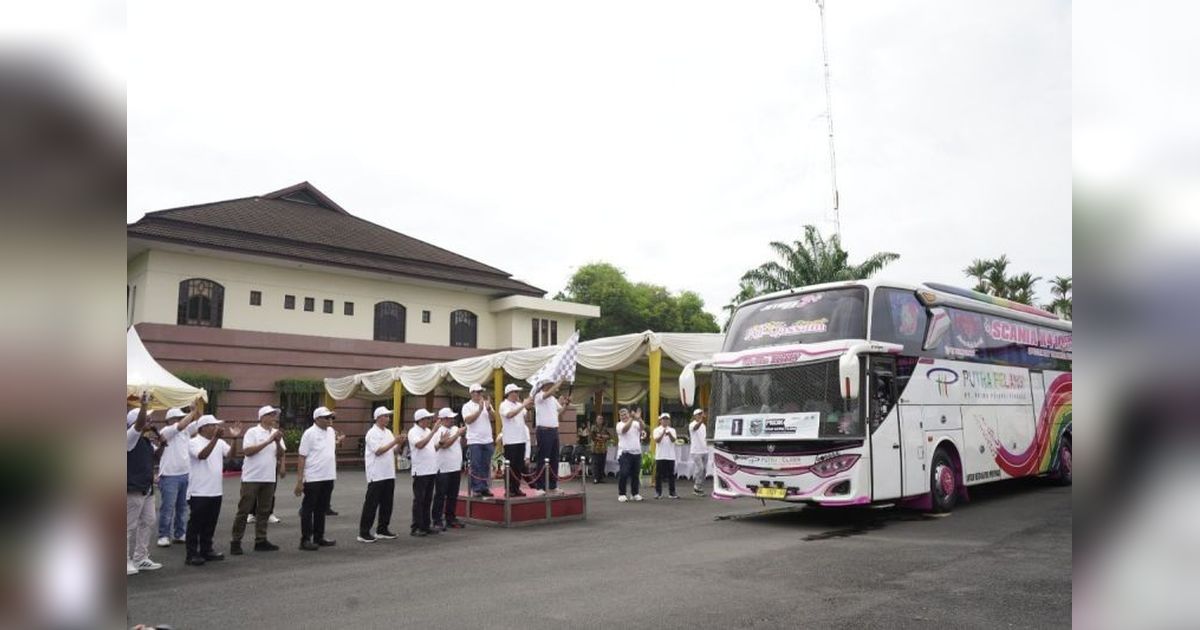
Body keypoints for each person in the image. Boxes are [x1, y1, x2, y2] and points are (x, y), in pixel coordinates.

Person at [185, 414, 242, 566]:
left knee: (210, 523)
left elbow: (231, 456)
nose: (216, 427)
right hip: (198, 491)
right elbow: (202, 455)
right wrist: (215, 439)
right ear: (203, 428)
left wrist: (235, 439)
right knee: (196, 524)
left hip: (215, 490)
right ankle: (191, 554)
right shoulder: (193, 442)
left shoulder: (220, 442)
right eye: (213, 425)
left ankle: (206, 549)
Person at [230, 405, 286, 554]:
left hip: (269, 477)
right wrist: (268, 441)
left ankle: (261, 540)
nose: (274, 417)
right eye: (271, 414)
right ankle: (236, 541)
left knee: (264, 510)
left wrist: (277, 442)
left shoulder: (276, 433)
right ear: (262, 417)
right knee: (244, 510)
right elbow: (247, 452)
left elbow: (280, 454)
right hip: (251, 477)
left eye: (275, 414)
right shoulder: (252, 432)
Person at [155, 401, 200, 548]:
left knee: (182, 507)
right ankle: (163, 535)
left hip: (185, 474)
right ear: (170, 420)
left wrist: (196, 410)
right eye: (179, 417)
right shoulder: (166, 431)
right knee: (167, 508)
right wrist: (192, 412)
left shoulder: (185, 431)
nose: (182, 420)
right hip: (169, 475)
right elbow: (181, 425)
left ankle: (180, 533)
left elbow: (199, 423)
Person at [295, 406, 340, 551]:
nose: (330, 420)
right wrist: (300, 480)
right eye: (327, 417)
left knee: (322, 508)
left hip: (328, 475)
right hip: (313, 477)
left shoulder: (331, 432)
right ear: (317, 419)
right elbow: (302, 456)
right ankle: (305, 539)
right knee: (308, 509)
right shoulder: (309, 433)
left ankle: (319, 536)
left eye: (331, 417)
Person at [359, 406, 405, 543]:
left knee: (387, 503)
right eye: (385, 416)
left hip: (389, 473)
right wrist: (394, 442)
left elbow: (394, 451)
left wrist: (400, 444)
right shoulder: (372, 433)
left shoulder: (388, 432)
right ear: (378, 417)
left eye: (388, 416)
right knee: (371, 504)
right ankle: (364, 532)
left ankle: (382, 529)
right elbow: (378, 451)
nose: (388, 418)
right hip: (376, 473)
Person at [127, 394, 161, 575]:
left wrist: (161, 441)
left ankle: (141, 558)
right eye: (147, 419)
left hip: (146, 488)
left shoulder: (146, 441)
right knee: (127, 525)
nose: (150, 421)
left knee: (148, 521)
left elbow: (158, 455)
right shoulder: (129, 437)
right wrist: (143, 406)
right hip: (132, 487)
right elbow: (138, 426)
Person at [431, 408, 467, 531]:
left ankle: (450, 517)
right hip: (443, 468)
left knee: (453, 495)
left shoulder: (455, 429)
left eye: (452, 418)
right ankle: (437, 519)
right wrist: (457, 434)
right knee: (440, 495)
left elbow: (462, 445)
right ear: (442, 419)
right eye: (449, 418)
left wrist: (462, 436)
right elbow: (444, 446)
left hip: (455, 467)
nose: (452, 420)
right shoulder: (438, 431)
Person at [532, 379, 571, 493]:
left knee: (554, 458)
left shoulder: (553, 399)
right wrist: (559, 382)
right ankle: (540, 486)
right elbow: (548, 393)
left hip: (554, 430)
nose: (556, 388)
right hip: (543, 431)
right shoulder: (539, 396)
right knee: (543, 458)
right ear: (546, 386)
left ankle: (553, 485)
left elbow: (560, 412)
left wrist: (566, 405)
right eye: (552, 386)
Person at [498, 383, 533, 497]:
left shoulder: (519, 404)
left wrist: (527, 407)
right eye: (516, 392)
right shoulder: (504, 404)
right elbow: (509, 415)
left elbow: (525, 417)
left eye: (518, 392)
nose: (518, 394)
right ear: (510, 393)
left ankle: (516, 488)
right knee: (510, 466)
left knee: (518, 466)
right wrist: (523, 405)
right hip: (510, 440)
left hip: (521, 439)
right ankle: (509, 489)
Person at [461, 384, 496, 498]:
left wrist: (489, 408)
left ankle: (484, 487)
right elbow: (468, 420)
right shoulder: (467, 406)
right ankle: (476, 488)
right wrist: (480, 410)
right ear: (472, 393)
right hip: (474, 440)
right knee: (476, 465)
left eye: (481, 392)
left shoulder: (486, 404)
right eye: (477, 392)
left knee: (486, 465)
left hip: (487, 439)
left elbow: (495, 417)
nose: (480, 394)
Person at [408, 409, 440, 536]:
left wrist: (441, 443)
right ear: (420, 420)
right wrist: (433, 432)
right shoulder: (413, 431)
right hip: (420, 471)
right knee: (419, 499)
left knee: (427, 499)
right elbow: (420, 445)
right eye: (427, 418)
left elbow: (432, 448)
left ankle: (426, 525)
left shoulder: (426, 431)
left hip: (430, 469)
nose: (429, 421)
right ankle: (416, 526)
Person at [615, 407, 645, 503]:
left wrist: (639, 418)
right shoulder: (619, 425)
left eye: (625, 414)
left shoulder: (635, 423)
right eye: (622, 415)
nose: (624, 416)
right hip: (625, 453)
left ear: (628, 414)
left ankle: (634, 493)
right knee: (624, 473)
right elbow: (624, 430)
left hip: (636, 452)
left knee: (635, 475)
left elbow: (643, 427)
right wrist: (632, 418)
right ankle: (622, 494)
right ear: (619, 417)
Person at [652, 413, 679, 499]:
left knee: (671, 475)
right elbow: (657, 440)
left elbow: (674, 440)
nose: (665, 421)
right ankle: (658, 492)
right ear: (660, 420)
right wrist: (663, 433)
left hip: (670, 456)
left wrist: (669, 434)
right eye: (663, 419)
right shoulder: (656, 430)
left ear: (669, 421)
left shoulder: (672, 430)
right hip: (660, 456)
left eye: (667, 419)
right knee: (658, 475)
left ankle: (672, 492)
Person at [579, 414, 610, 484]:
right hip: (595, 448)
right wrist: (601, 437)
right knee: (595, 464)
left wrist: (602, 436)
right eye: (599, 419)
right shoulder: (593, 427)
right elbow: (593, 436)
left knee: (602, 464)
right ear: (596, 420)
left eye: (601, 419)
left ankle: (601, 478)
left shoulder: (605, 428)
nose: (600, 420)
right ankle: (595, 478)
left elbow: (609, 436)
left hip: (603, 448)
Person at [688, 409, 709, 496]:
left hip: (704, 450)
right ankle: (696, 487)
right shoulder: (692, 424)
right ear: (694, 416)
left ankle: (699, 487)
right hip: (696, 451)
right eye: (698, 414)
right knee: (700, 468)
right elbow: (696, 428)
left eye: (701, 414)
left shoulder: (703, 425)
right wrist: (701, 421)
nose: (700, 416)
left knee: (704, 470)